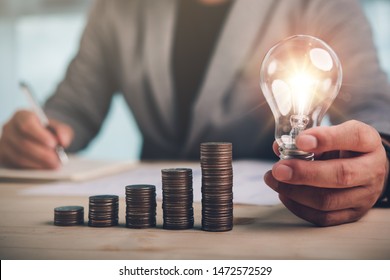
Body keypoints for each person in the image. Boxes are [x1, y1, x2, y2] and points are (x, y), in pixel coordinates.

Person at [0, 0, 389, 226]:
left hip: (267, 221)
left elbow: (375, 110)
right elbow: (72, 107)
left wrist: (379, 162)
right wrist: (38, 134)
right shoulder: (117, 8)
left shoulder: (322, 5)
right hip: (152, 222)